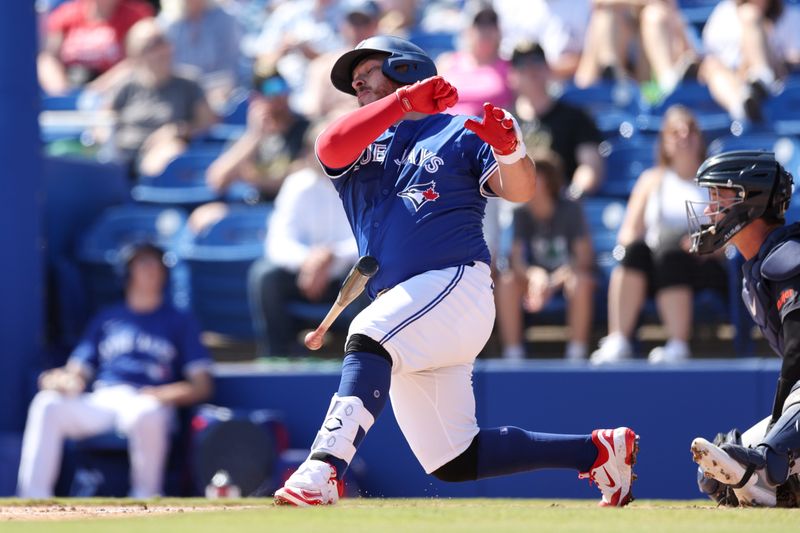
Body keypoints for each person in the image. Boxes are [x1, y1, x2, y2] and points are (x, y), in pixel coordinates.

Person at [271, 35, 639, 508]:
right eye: (354, 84)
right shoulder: (361, 141)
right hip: (407, 310)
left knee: (367, 333)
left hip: (453, 285)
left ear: (404, 68)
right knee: (452, 458)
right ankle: (597, 452)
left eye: (368, 76)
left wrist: (511, 151)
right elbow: (329, 146)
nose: (357, 87)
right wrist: (401, 101)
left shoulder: (460, 130)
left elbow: (521, 190)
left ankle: (322, 469)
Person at [17, 242, 214, 498]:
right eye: (142, 262)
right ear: (127, 273)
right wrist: (62, 380)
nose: (150, 268)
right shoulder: (107, 318)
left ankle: (146, 497)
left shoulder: (179, 321)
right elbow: (79, 370)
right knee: (48, 404)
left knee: (148, 412)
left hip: (147, 398)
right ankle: (32, 497)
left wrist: (161, 394)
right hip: (105, 398)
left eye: (155, 262)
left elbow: (202, 385)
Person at [685, 151, 800, 507]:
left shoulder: (790, 256)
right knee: (722, 475)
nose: (708, 211)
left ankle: (771, 474)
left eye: (718, 198)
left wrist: (776, 437)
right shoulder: (759, 264)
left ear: (749, 201)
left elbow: (799, 350)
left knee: (762, 465)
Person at [589, 105, 728, 364]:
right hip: (656, 262)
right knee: (634, 254)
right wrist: (645, 246)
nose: (684, 137)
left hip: (700, 264)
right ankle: (618, 339)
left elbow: (725, 239)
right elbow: (629, 233)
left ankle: (678, 344)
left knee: (671, 256)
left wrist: (701, 245)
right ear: (665, 141)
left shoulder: (714, 184)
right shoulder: (651, 180)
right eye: (676, 132)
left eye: (690, 131)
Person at [248, 123, 360, 357]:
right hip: (303, 275)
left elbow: (368, 240)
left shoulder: (361, 182)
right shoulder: (296, 185)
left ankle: (360, 354)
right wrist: (310, 261)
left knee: (370, 279)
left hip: (346, 276)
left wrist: (332, 257)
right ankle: (277, 355)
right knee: (264, 276)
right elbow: (278, 242)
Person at [495, 150, 596, 361]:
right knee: (506, 283)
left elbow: (583, 258)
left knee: (580, 282)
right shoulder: (520, 213)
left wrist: (553, 281)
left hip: (566, 279)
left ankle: (576, 353)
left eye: (533, 174)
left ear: (549, 180)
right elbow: (516, 260)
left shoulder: (571, 209)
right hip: (532, 283)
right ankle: (513, 353)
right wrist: (534, 276)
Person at [107, 17, 218, 177]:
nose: (160, 50)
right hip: (122, 155)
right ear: (135, 54)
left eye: (162, 41)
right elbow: (104, 121)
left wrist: (178, 130)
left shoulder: (189, 82)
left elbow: (208, 124)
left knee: (169, 154)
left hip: (163, 154)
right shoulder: (125, 85)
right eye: (150, 46)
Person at [509, 41, 603, 200]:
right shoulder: (503, 122)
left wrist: (572, 194)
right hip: (514, 205)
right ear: (512, 76)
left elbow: (590, 166)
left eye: (537, 63)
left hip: (559, 203)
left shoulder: (574, 117)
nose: (532, 71)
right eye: (522, 65)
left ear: (548, 69)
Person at [700, 0, 800, 122]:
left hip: (778, 79)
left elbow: (794, 61)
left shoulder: (790, 15)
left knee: (750, 16)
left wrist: (766, 39)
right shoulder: (724, 14)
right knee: (712, 67)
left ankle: (761, 78)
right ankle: (743, 108)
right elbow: (711, 57)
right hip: (737, 80)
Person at [38, 0, 154, 95]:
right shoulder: (66, 13)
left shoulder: (136, 14)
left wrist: (96, 90)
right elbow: (48, 57)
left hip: (114, 93)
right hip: (70, 84)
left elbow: (138, 60)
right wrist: (61, 91)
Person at [158, 0, 244, 111]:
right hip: (181, 93)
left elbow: (231, 64)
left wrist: (213, 91)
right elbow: (168, 68)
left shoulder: (225, 19)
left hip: (221, 92)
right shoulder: (167, 23)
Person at [436, 5, 513, 117]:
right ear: (468, 30)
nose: (486, 31)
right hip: (445, 129)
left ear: (499, 31)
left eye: (491, 24)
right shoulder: (447, 62)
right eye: (480, 25)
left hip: (487, 131)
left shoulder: (510, 68)